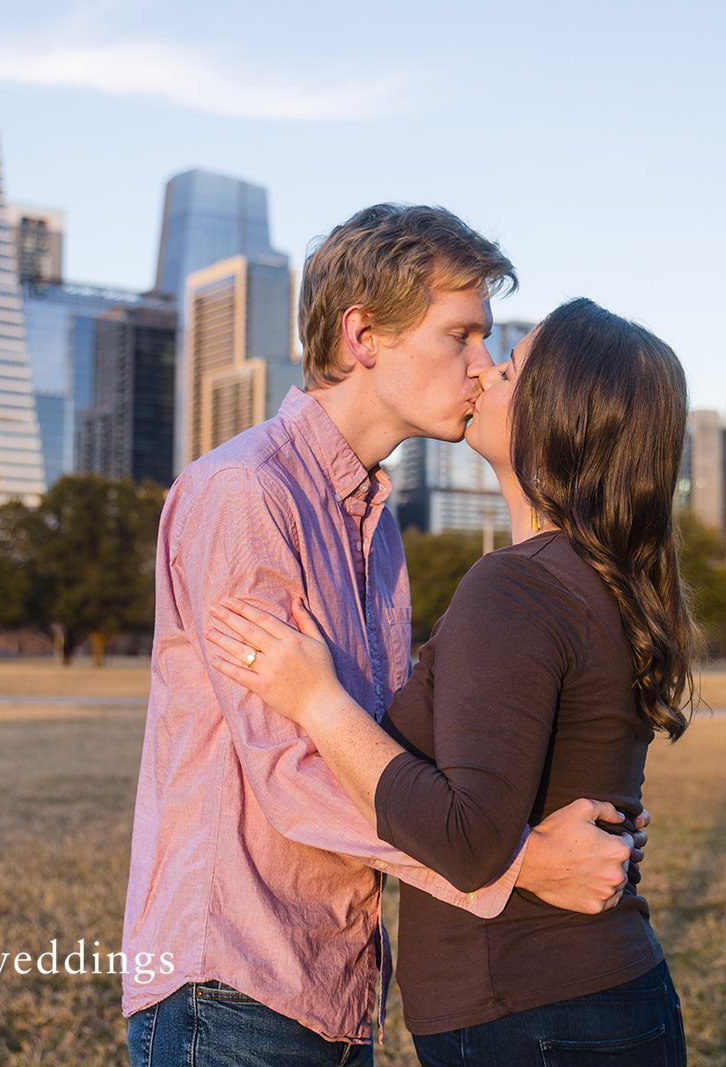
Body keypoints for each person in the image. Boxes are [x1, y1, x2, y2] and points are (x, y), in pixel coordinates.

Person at [121, 207, 648, 1067]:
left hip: (338, 984)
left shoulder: (377, 525)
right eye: (461, 336)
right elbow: (291, 772)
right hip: (233, 982)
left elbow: (380, 747)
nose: (484, 367)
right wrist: (521, 863)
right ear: (364, 335)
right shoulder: (245, 494)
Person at [206, 297, 697, 1066]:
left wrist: (317, 700)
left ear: (559, 415)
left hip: (533, 1015)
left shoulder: (516, 587)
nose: (483, 372)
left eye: (507, 366)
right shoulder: (600, 580)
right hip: (591, 1001)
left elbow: (468, 841)